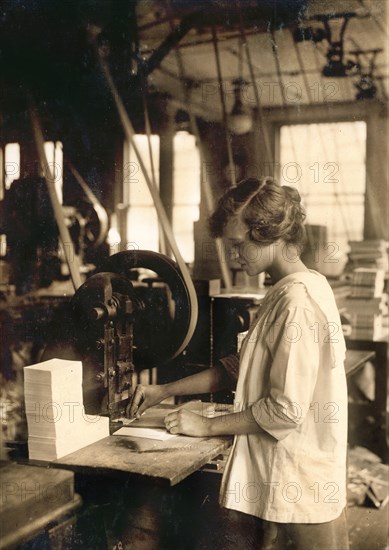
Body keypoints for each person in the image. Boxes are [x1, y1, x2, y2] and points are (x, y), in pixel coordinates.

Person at [127, 177, 349, 550]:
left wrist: (207, 426)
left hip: (300, 483)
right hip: (284, 476)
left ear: (270, 234)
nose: (233, 257)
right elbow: (238, 366)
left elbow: (286, 410)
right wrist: (162, 390)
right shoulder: (293, 288)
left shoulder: (297, 303)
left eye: (238, 245)